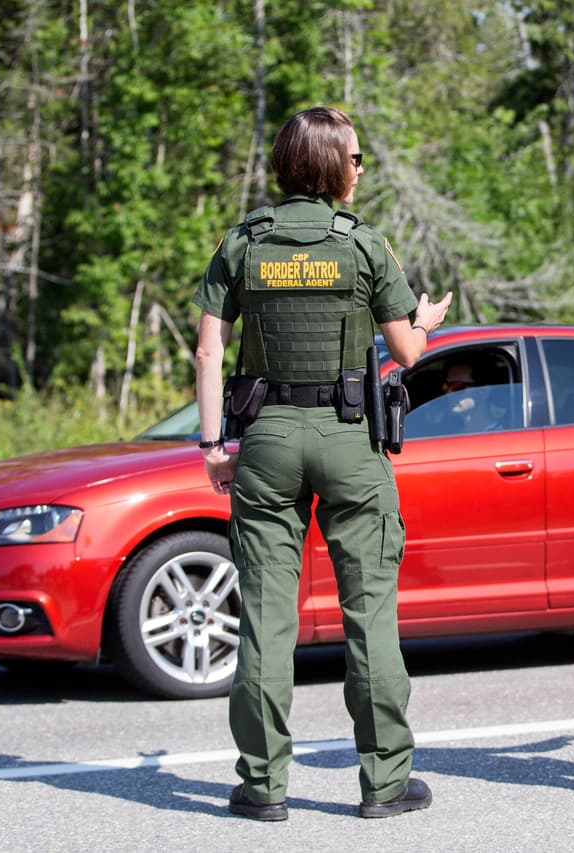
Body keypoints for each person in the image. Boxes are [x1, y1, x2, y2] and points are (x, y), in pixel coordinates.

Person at [193, 106, 452, 822]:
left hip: (267, 438)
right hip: (347, 439)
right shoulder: (364, 245)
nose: (363, 169)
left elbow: (209, 351)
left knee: (267, 617)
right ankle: (385, 783)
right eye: (358, 158)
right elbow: (405, 354)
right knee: (370, 613)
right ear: (334, 165)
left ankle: (262, 785)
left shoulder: (242, 242)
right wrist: (426, 322)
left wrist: (214, 446)